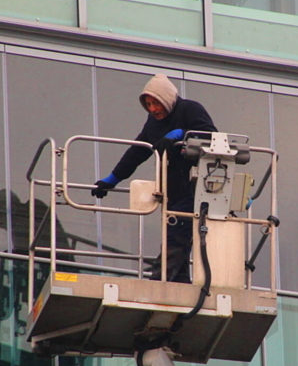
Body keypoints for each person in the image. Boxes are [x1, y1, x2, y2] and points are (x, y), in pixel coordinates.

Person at [91, 73, 216, 283]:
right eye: (148, 105)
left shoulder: (190, 109)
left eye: (156, 103)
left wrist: (181, 133)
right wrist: (112, 179)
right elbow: (137, 152)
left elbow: (211, 136)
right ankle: (180, 284)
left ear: (167, 98)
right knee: (177, 238)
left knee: (176, 239)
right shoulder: (153, 123)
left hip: (194, 188)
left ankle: (158, 282)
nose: (153, 109)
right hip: (172, 192)